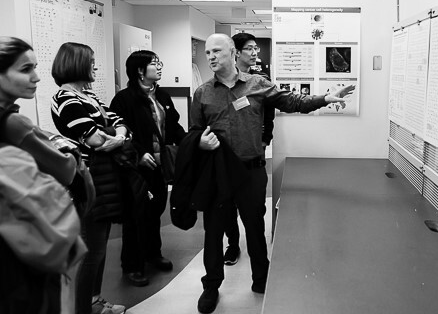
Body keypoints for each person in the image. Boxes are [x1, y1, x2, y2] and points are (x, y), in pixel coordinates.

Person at [191, 33, 354, 313]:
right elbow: (194, 133)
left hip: (251, 173)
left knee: (255, 229)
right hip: (218, 174)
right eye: (207, 53)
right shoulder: (202, 93)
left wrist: (326, 97)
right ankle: (211, 285)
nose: (210, 58)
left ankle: (261, 279)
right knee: (213, 232)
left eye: (216, 51)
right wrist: (199, 142)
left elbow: (293, 102)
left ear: (232, 52)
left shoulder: (257, 85)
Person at [0, 37, 79, 314]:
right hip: (23, 241)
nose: (35, 77)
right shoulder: (14, 123)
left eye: (35, 67)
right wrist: (69, 150)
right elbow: (67, 170)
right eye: (24, 69)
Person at [51, 42, 127, 314]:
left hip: (103, 179)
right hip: (87, 180)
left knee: (100, 246)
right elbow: (94, 139)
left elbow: (118, 122)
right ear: (76, 64)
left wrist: (114, 136)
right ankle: (84, 307)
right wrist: (112, 136)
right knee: (91, 250)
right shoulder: (66, 99)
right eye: (91, 62)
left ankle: (94, 301)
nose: (95, 67)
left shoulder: (89, 96)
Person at [110, 50, 186, 286]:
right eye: (155, 63)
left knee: (155, 211)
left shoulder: (162, 95)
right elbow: (120, 134)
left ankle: (153, 254)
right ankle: (132, 265)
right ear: (140, 71)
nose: (160, 66)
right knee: (136, 216)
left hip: (160, 166)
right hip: (137, 168)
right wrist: (139, 154)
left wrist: (189, 144)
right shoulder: (124, 99)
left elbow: (173, 127)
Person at [219, 32, 275, 267]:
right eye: (250, 49)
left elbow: (269, 113)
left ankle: (259, 268)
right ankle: (232, 245)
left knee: (254, 213)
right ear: (236, 52)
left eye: (256, 49)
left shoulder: (259, 81)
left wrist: (265, 138)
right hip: (226, 161)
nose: (254, 53)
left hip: (252, 158)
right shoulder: (214, 88)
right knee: (227, 209)